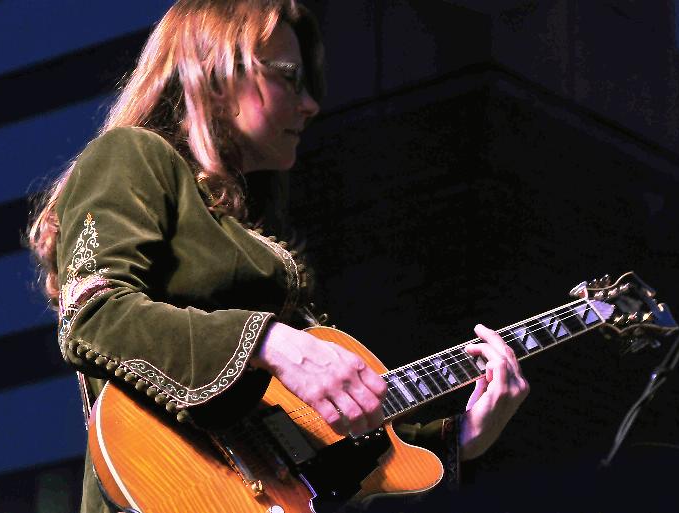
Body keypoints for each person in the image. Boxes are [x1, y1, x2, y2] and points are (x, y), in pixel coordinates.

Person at [27, 1, 529, 511]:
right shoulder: (133, 154)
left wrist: (460, 437)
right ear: (215, 73)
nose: (309, 104)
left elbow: (312, 449)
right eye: (289, 77)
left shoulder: (249, 226)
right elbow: (93, 312)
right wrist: (273, 344)